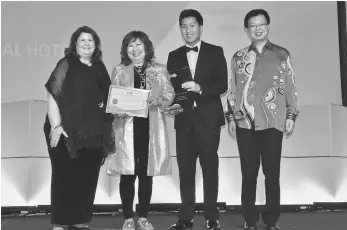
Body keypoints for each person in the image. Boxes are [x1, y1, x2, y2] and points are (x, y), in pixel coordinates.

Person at [225, 9, 299, 230]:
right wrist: (230, 117)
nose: (257, 28)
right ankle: (249, 220)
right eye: (252, 25)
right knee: (248, 174)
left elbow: (290, 87)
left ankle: (271, 220)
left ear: (268, 26)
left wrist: (290, 115)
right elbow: (233, 90)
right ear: (246, 30)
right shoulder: (238, 57)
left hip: (273, 122)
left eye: (261, 24)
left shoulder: (282, 54)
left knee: (271, 173)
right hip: (244, 123)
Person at [43, 26, 115, 230]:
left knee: (87, 177)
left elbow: (108, 97)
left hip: (92, 133)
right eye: (82, 40)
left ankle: (79, 220)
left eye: (90, 40)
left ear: (96, 44)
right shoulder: (66, 63)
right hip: (65, 131)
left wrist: (106, 105)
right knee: (64, 177)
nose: (86, 44)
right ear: (75, 44)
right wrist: (56, 126)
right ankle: (60, 223)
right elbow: (53, 94)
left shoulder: (99, 66)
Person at [167, 9, 228, 230]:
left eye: (192, 25)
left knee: (210, 168)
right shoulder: (173, 55)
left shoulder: (215, 51)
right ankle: (185, 217)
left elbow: (223, 85)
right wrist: (170, 104)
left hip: (209, 120)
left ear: (200, 27)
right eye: (184, 26)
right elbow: (172, 89)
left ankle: (212, 216)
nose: (188, 30)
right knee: (185, 170)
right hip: (184, 121)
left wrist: (200, 88)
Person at [109, 30, 175, 230]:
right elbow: (114, 99)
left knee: (147, 175)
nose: (135, 49)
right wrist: (117, 110)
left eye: (138, 44)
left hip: (150, 129)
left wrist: (159, 101)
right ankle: (128, 218)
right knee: (127, 175)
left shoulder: (159, 69)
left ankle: (144, 217)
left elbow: (170, 93)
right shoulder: (120, 70)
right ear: (125, 50)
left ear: (146, 47)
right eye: (130, 45)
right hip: (127, 130)